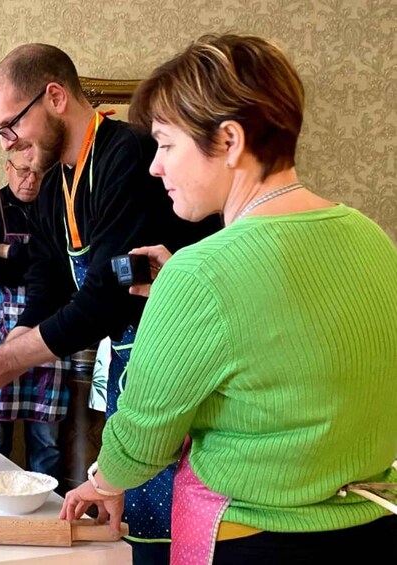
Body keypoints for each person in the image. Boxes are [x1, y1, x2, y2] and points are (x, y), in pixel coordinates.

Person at [61, 34, 397, 565]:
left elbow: (144, 438)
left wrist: (102, 481)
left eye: (167, 145)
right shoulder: (372, 238)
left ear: (229, 141)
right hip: (372, 526)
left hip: (254, 541)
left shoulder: (200, 272)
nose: (155, 166)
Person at [0, 43, 220, 562]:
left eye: (11, 125)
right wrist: (16, 337)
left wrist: (0, 362)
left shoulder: (128, 155)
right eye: (1, 133)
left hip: (182, 367)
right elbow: (49, 272)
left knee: (178, 528)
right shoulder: (56, 185)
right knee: (139, 528)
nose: (8, 143)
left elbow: (106, 292)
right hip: (132, 365)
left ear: (54, 96)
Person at [0, 152, 68, 480]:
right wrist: (37, 260)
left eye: (39, 173)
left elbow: (62, 270)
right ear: (7, 167)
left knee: (47, 440)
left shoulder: (58, 211)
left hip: (46, 325)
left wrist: (10, 251)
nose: (31, 180)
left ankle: (49, 512)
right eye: (23, 171)